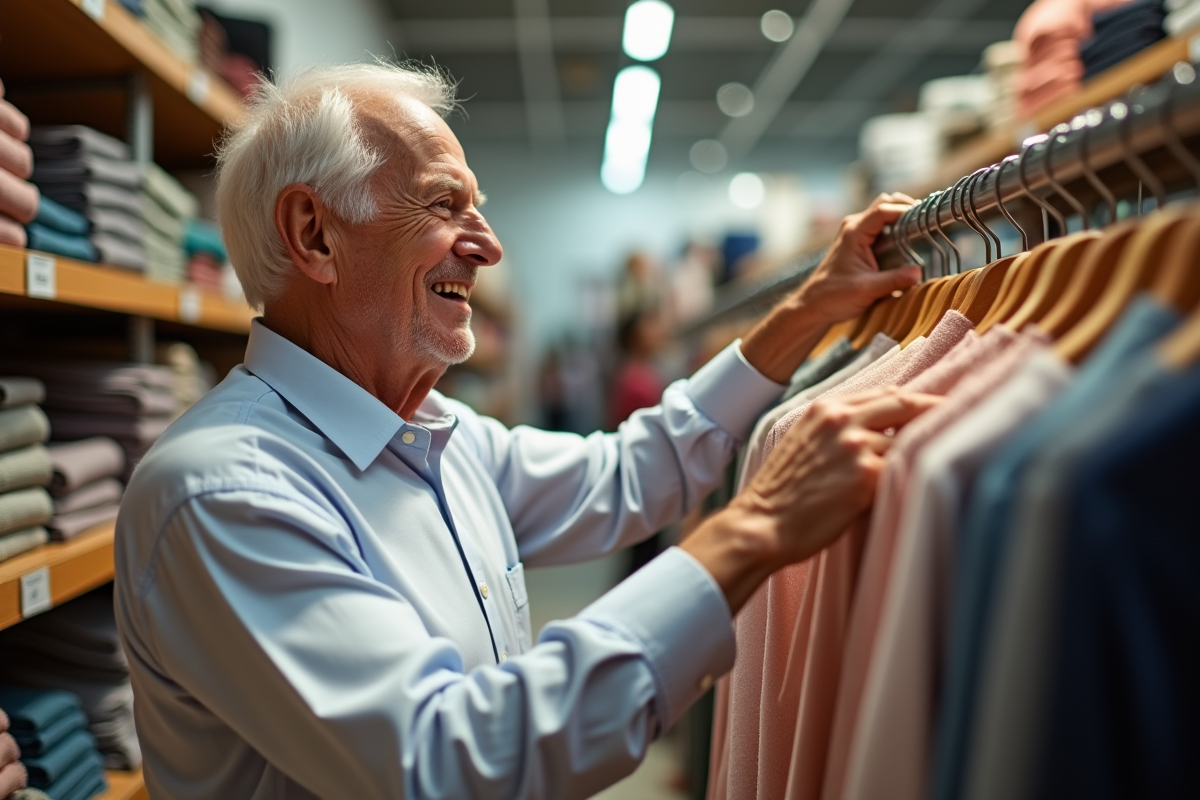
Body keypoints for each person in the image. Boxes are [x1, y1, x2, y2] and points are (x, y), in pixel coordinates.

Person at [113, 62, 932, 800]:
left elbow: (627, 476)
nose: (491, 247)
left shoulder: (437, 435)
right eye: (444, 204)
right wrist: (758, 527)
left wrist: (806, 314)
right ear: (316, 236)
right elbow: (450, 764)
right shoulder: (225, 493)